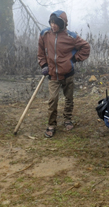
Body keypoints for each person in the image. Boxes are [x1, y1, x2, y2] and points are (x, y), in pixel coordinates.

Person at [37, 10, 90, 138]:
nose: (53, 25)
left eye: (56, 23)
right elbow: (40, 51)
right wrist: (43, 65)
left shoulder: (70, 36)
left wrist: (73, 59)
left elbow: (86, 47)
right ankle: (51, 124)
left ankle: (67, 119)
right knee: (53, 100)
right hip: (52, 75)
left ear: (63, 24)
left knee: (69, 98)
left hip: (67, 74)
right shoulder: (45, 34)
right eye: (52, 22)